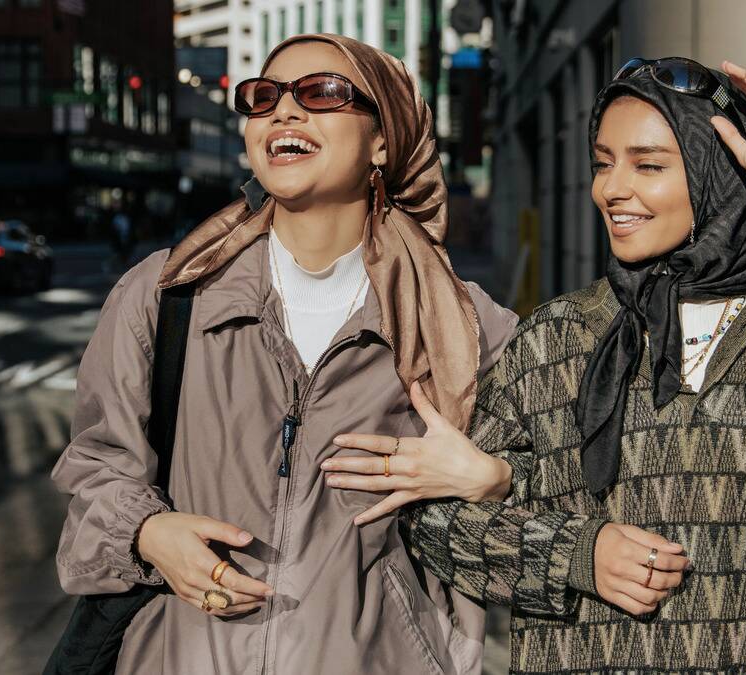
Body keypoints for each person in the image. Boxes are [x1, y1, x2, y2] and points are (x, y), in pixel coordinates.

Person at [325, 57, 746, 672]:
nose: (611, 189)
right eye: (602, 163)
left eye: (648, 165)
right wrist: (577, 555)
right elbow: (441, 527)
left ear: (719, 174)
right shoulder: (559, 337)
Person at [51, 34, 517, 674]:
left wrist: (494, 480)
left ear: (385, 140)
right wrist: (147, 533)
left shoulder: (465, 326)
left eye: (322, 94)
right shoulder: (165, 296)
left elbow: (566, 507)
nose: (283, 112)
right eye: (263, 98)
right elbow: (96, 467)